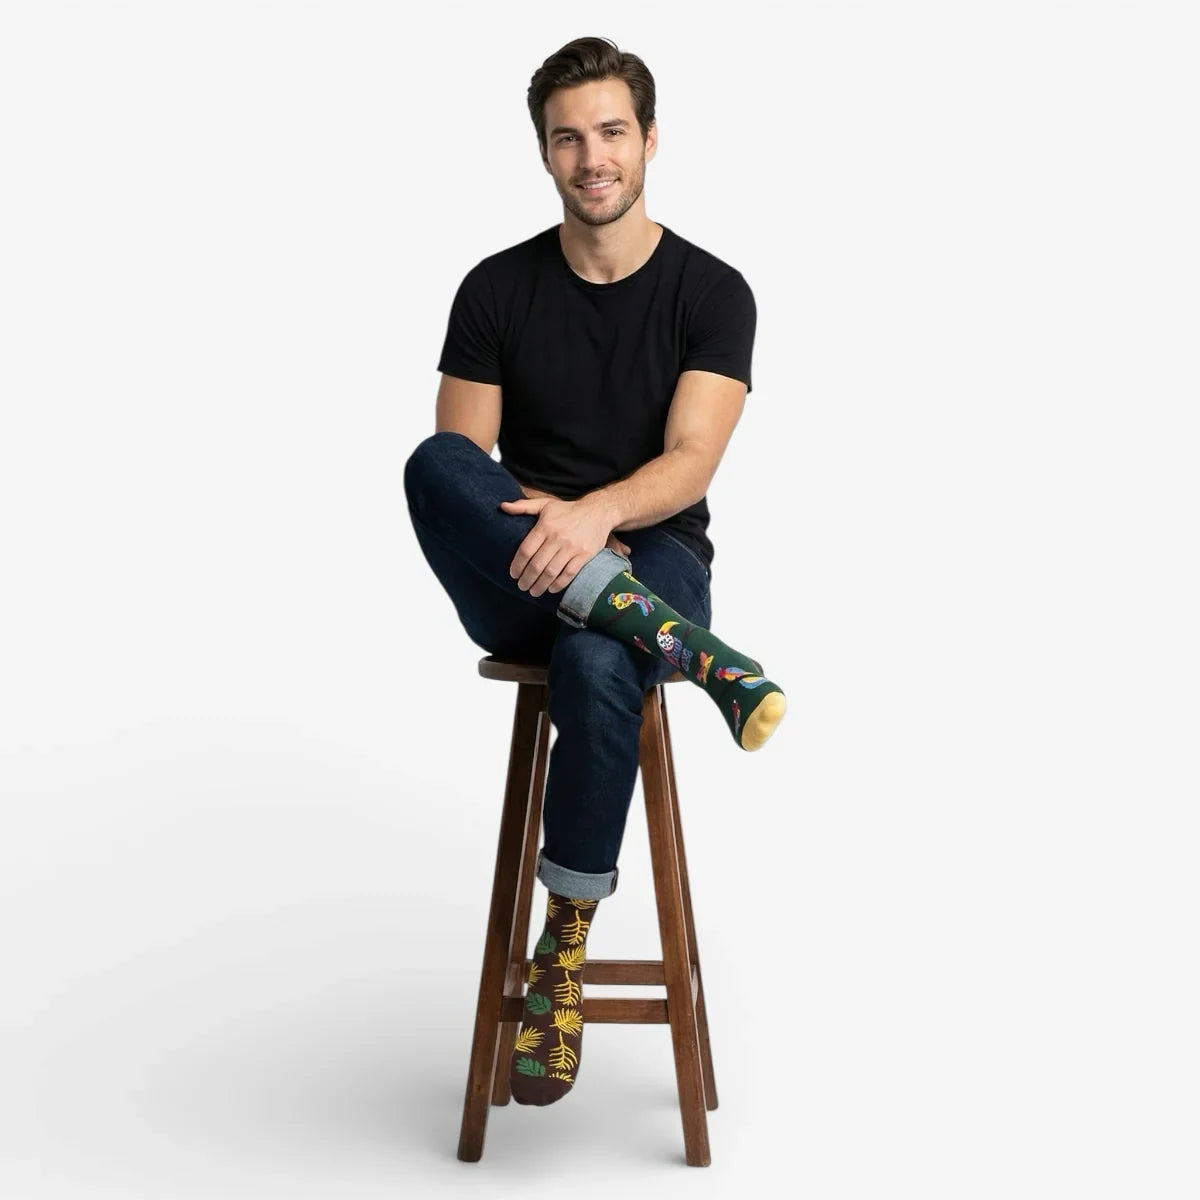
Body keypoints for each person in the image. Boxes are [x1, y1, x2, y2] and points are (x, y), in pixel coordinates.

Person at [403, 36, 786, 1106]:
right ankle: (698, 659)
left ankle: (559, 955)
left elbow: (692, 461)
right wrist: (558, 538)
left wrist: (595, 520)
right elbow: (465, 474)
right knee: (430, 462)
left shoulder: (712, 292)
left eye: (612, 132)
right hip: (522, 565)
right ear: (544, 154)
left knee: (599, 659)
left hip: (655, 553)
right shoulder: (494, 289)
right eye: (569, 137)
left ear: (649, 141)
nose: (593, 157)